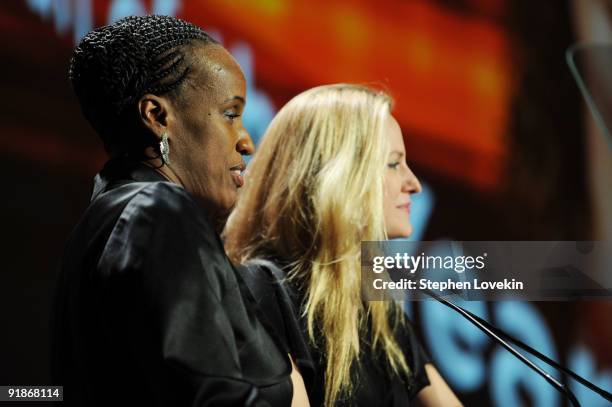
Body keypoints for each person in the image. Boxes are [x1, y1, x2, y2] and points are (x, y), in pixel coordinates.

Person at [52, 15, 308, 406]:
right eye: (230, 114)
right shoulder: (159, 211)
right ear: (157, 116)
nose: (247, 142)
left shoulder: (106, 220)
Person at [224, 84, 462, 406]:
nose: (414, 184)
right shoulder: (261, 290)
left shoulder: (378, 308)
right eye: (393, 164)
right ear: (339, 174)